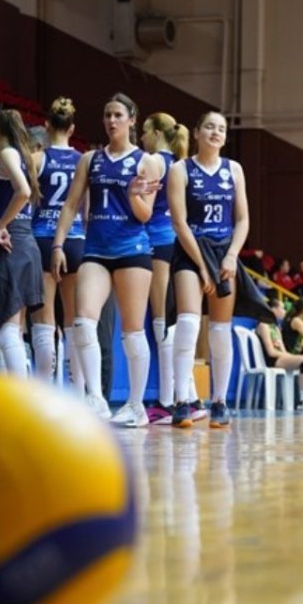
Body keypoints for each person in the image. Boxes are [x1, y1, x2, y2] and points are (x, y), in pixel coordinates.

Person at [50, 93, 161, 427]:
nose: (111, 120)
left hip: (132, 250)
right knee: (83, 322)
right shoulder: (90, 160)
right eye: (107, 114)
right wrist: (58, 245)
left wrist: (133, 195)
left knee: (131, 331)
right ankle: (95, 398)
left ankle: (135, 406)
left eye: (118, 115)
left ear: (131, 120)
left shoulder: (147, 161)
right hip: (95, 249)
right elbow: (70, 205)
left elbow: (145, 215)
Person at [166, 110, 271, 428]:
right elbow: (179, 222)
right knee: (187, 323)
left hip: (224, 252)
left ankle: (220, 402)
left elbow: (243, 220)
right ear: (196, 132)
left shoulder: (234, 170)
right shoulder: (180, 169)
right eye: (210, 126)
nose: (216, 132)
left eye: (222, 128)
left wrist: (231, 256)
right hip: (191, 251)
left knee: (220, 330)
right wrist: (201, 265)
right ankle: (182, 399)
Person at [0, 109, 42, 378]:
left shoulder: (8, 153)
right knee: (15, 329)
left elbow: (23, 192)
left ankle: (20, 399)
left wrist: (1, 224)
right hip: (26, 240)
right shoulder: (25, 155)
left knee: (6, 331)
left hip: (12, 241)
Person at [29, 98, 85, 390]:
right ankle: (78, 392)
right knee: (74, 324)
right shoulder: (83, 160)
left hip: (42, 239)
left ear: (47, 125)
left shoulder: (37, 159)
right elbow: (84, 208)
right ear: (72, 128)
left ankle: (43, 392)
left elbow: (26, 204)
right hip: (76, 240)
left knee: (44, 320)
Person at [140, 111, 190, 423]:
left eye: (145, 132)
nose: (142, 138)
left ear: (157, 132)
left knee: (162, 322)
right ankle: (186, 397)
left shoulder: (156, 161)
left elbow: (142, 205)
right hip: (177, 241)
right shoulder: (182, 164)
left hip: (158, 240)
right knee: (174, 320)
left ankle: (167, 401)